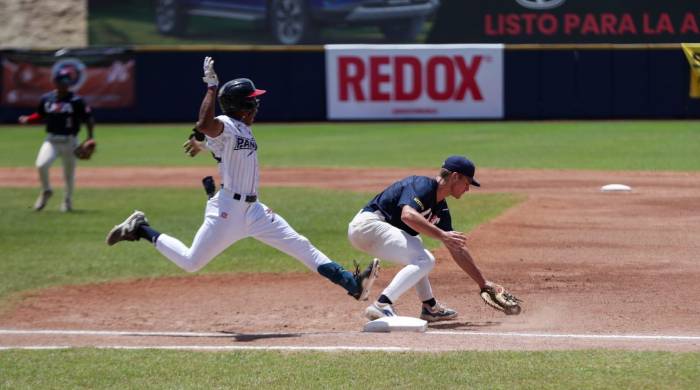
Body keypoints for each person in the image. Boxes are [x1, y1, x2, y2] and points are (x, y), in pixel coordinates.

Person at [105, 56, 379, 302]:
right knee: (191, 262)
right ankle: (140, 229)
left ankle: (352, 284)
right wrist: (211, 87)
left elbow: (205, 136)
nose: (257, 103)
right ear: (243, 104)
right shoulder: (226, 123)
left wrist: (200, 140)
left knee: (301, 246)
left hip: (255, 210)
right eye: (253, 99)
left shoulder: (239, 130)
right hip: (228, 211)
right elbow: (205, 125)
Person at [348, 156, 511, 322]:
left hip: (373, 234)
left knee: (417, 248)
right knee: (424, 259)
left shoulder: (440, 207)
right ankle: (382, 305)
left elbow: (456, 247)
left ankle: (429, 307)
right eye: (467, 183)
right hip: (367, 226)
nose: (467, 189)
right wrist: (442, 235)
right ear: (455, 176)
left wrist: (483, 283)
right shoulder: (422, 185)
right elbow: (408, 215)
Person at [18, 68, 95, 212]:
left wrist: (90, 137)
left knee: (68, 174)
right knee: (41, 164)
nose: (65, 84)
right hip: (51, 140)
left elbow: (88, 118)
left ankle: (67, 201)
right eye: (62, 81)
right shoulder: (47, 98)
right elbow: (40, 114)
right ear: (55, 81)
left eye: (67, 81)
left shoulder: (76, 100)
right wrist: (29, 118)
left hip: (70, 141)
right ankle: (47, 190)